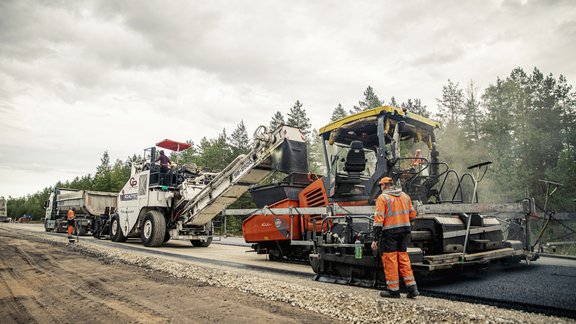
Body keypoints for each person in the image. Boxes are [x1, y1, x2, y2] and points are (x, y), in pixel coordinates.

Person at [371, 176, 419, 298]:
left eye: (381, 186)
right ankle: (412, 288)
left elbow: (378, 220)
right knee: (403, 258)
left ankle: (393, 291)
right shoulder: (405, 196)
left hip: (389, 233)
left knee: (390, 260)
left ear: (384, 186)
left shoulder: (383, 198)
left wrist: (375, 239)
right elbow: (413, 214)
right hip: (404, 232)